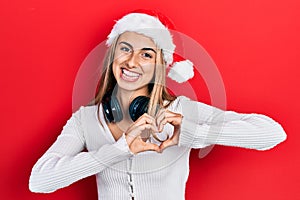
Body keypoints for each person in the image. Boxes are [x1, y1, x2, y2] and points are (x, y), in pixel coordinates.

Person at [29, 11, 287, 200]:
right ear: (112, 55)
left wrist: (192, 132)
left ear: (160, 66)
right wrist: (117, 150)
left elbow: (272, 133)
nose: (132, 62)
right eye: (125, 49)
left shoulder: (180, 111)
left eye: (146, 54)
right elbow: (39, 180)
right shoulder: (85, 119)